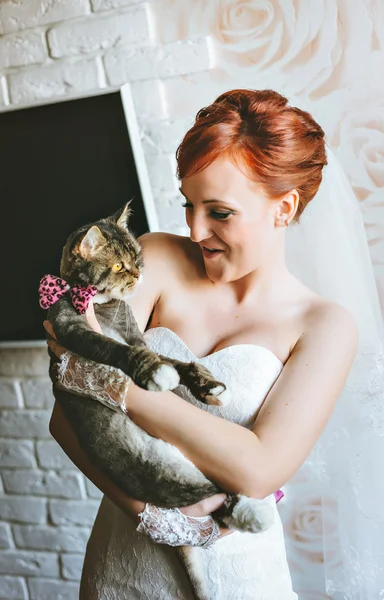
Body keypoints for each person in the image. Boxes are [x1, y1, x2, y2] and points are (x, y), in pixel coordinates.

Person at [45, 89, 361, 599]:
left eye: (220, 212)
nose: (194, 230)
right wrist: (152, 517)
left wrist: (120, 390)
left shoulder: (325, 326)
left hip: (239, 571)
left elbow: (257, 470)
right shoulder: (155, 258)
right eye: (188, 205)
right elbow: (66, 418)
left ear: (283, 208)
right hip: (123, 562)